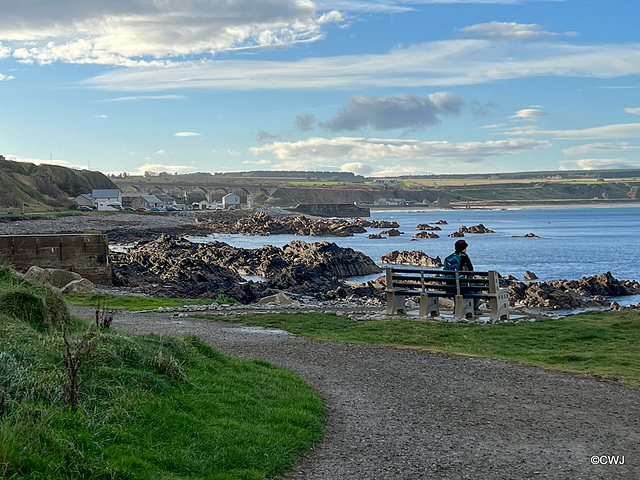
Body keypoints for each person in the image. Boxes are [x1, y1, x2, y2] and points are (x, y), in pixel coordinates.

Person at [444, 239, 482, 315]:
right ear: (463, 249)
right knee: (478, 289)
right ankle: (475, 309)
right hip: (462, 286)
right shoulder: (464, 258)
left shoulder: (448, 258)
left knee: (457, 288)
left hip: (450, 287)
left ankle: (457, 307)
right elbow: (471, 271)